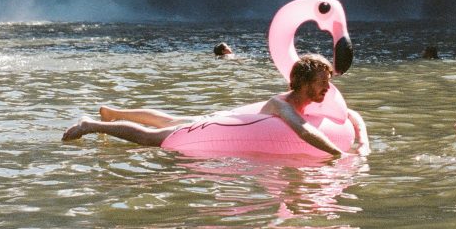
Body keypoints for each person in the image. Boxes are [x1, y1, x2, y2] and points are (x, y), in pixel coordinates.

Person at [62, 53, 369, 157]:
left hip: (228, 119)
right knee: (151, 138)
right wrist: (338, 153)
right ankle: (92, 125)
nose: (328, 89)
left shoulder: (313, 99)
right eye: (322, 83)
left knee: (172, 119)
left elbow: (350, 114)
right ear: (303, 84)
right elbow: (303, 132)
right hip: (218, 129)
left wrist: (364, 143)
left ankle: (113, 112)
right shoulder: (282, 105)